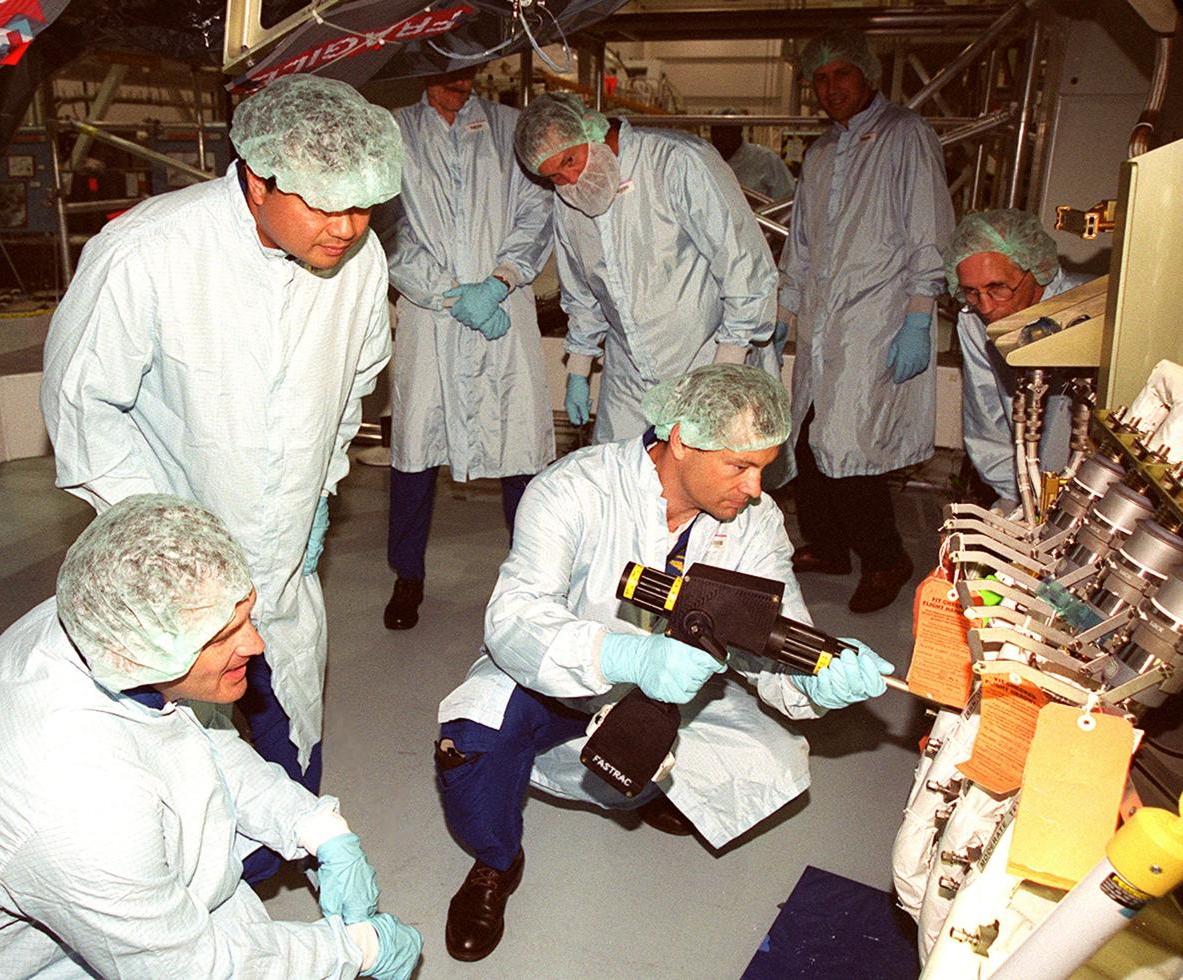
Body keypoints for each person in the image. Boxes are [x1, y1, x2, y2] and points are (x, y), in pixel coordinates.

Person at [40, 75, 402, 883]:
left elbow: (355, 385)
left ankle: (278, 867)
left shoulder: (359, 257)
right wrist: (164, 548)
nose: (348, 228)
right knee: (180, 775)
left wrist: (322, 490)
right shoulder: (147, 251)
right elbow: (81, 408)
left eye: (365, 207)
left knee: (288, 738)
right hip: (175, 577)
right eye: (325, 205)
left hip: (285, 565)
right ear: (257, 177)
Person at [432, 364, 893, 962]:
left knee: (768, 754)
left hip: (672, 693)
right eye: (740, 466)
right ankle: (496, 862)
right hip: (556, 672)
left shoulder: (756, 523)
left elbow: (778, 638)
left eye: (764, 468)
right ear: (681, 440)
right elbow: (514, 619)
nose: (755, 488)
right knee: (470, 744)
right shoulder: (575, 488)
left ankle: (650, 794)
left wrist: (820, 671)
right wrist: (626, 653)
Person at [0, 494, 422, 979]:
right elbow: (191, 969)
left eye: (244, 615)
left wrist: (313, 826)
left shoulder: (101, 627)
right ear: (142, 651)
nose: (257, 643)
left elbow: (193, 739)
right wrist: (356, 951)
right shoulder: (79, 805)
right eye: (223, 636)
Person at [777, 29, 954, 613]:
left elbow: (929, 229)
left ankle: (886, 558)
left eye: (841, 75)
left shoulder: (906, 136)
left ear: (867, 74)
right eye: (820, 80)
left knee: (854, 447)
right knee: (808, 437)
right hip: (825, 323)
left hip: (879, 317)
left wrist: (919, 315)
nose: (831, 89)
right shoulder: (823, 153)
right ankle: (828, 546)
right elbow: (801, 243)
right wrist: (786, 309)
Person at [381, 68, 554, 631]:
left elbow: (535, 214)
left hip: (504, 303)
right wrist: (448, 295)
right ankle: (408, 577)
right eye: (444, 71)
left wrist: (500, 280)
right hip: (429, 314)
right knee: (415, 446)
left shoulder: (511, 129)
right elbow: (386, 227)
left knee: (522, 444)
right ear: (421, 66)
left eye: (467, 71)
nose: (458, 83)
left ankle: (534, 581)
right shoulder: (392, 131)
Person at [513, 92, 781, 445]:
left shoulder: (676, 162)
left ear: (591, 130)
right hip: (629, 373)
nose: (570, 179)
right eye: (555, 177)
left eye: (570, 159)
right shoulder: (569, 203)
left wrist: (726, 366)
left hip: (705, 360)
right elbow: (581, 292)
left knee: (708, 486)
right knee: (621, 480)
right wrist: (578, 367)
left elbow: (742, 264)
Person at [944, 209, 1089, 508]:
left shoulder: (1089, 312)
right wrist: (1020, 497)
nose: (985, 306)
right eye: (971, 292)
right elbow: (987, 423)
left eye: (997, 288)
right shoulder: (974, 321)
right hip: (1027, 484)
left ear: (1036, 268)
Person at [709, 110, 795, 201]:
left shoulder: (766, 160)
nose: (720, 136)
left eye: (726, 131)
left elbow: (787, 198)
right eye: (716, 131)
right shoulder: (706, 160)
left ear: (739, 131)